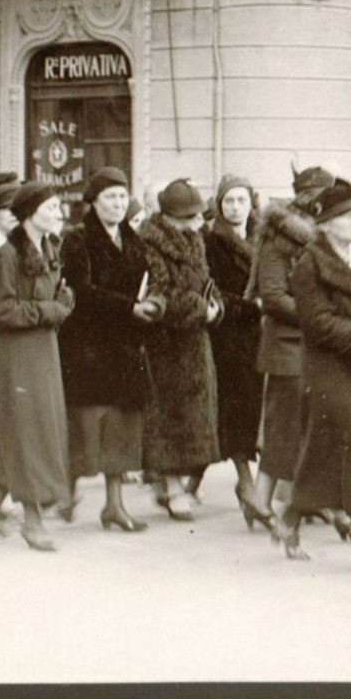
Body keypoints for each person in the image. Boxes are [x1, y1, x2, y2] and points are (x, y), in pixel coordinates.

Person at [278, 179, 351, 568]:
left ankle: (292, 516)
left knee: (328, 447)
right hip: (330, 367)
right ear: (326, 224)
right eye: (348, 217)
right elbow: (318, 324)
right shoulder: (310, 264)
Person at [57, 167, 157, 533]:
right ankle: (66, 491)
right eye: (109, 197)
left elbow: (147, 281)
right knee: (86, 423)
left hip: (125, 346)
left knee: (122, 426)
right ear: (94, 203)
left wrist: (152, 304)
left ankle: (114, 505)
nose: (117, 204)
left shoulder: (134, 240)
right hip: (87, 347)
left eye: (121, 196)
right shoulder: (77, 240)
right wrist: (129, 307)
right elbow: (80, 291)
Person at [0, 182, 75, 551]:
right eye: (52, 207)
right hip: (16, 356)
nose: (58, 213)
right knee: (27, 433)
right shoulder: (8, 255)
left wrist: (65, 299)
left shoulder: (50, 248)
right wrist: (51, 310)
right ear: (30, 212)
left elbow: (56, 295)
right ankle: (32, 520)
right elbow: (0, 310)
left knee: (40, 428)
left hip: (43, 351)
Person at [250, 165, 336, 521]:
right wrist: (316, 316)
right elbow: (271, 295)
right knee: (284, 428)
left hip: (309, 345)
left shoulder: (319, 236)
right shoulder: (278, 239)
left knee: (303, 425)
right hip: (286, 346)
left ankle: (290, 498)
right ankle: (260, 500)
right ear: (309, 196)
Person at [138, 178, 223, 521]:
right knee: (168, 414)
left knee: (195, 415)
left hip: (195, 340)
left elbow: (204, 281)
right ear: (171, 218)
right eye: (190, 217)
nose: (198, 222)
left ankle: (176, 482)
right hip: (165, 342)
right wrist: (201, 309)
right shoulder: (150, 243)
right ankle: (172, 486)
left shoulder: (194, 241)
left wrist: (214, 303)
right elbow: (161, 290)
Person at [202, 174, 268, 527]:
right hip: (229, 336)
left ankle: (253, 488)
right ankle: (246, 482)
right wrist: (253, 306)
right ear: (219, 204)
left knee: (258, 406)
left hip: (261, 336)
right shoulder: (210, 241)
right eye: (228, 201)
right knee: (237, 408)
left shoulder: (263, 237)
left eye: (241, 200)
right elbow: (211, 289)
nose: (235, 207)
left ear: (251, 202)